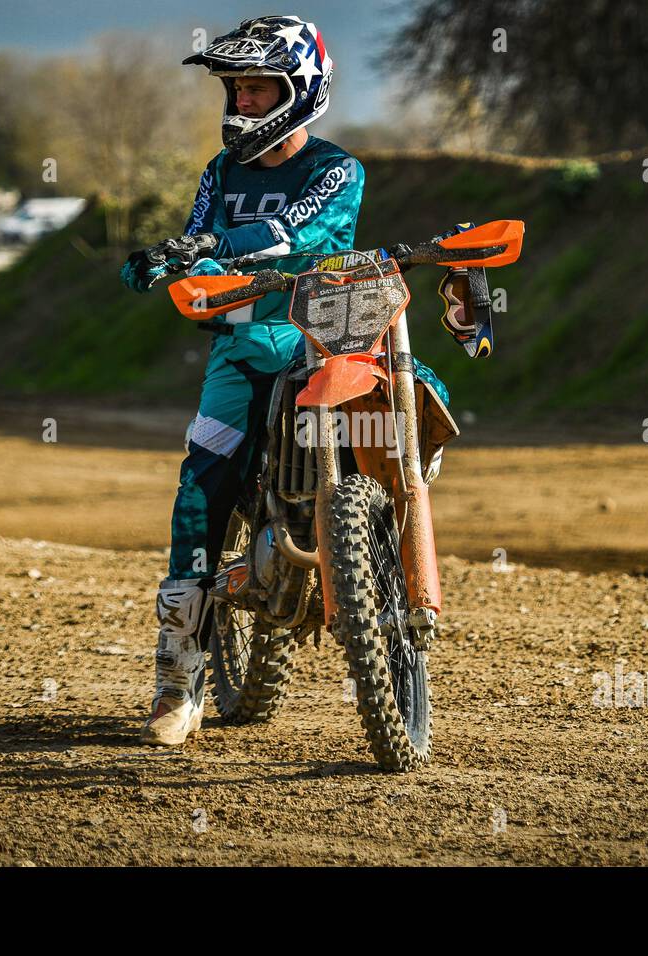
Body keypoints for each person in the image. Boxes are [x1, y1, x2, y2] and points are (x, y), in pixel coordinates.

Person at [121, 14, 449, 746]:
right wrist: (177, 259)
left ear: (299, 91)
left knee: (414, 382)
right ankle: (179, 677)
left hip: (326, 329)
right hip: (243, 345)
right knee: (199, 484)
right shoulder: (220, 172)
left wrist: (213, 243)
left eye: (260, 89)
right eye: (237, 90)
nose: (244, 103)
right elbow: (203, 246)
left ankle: (410, 475)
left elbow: (298, 232)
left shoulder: (337, 168)